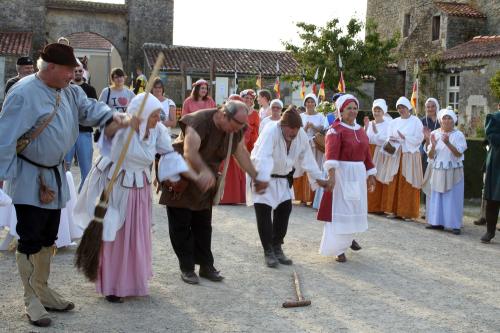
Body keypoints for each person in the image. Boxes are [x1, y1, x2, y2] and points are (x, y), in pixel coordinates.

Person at [0, 43, 129, 327]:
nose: (74, 75)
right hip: (28, 177)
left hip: (56, 176)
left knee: (48, 236)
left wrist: (112, 116)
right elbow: (5, 137)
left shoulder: (69, 90)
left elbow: (88, 108)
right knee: (30, 236)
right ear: (51, 68)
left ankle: (43, 290)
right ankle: (31, 298)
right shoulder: (22, 93)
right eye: (70, 70)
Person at [74, 93, 196, 303]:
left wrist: (191, 175)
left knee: (136, 233)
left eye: (159, 115)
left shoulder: (157, 130)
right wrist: (124, 124)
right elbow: (105, 135)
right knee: (116, 232)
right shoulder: (123, 123)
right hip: (117, 184)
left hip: (139, 186)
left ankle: (131, 281)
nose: (158, 119)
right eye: (154, 115)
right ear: (143, 113)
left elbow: (167, 154)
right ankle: (112, 284)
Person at [159, 101, 266, 284]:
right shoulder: (200, 120)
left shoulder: (236, 128)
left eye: (242, 126)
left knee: (203, 224)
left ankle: (207, 266)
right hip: (182, 174)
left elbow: (240, 152)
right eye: (236, 125)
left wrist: (255, 176)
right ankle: (187, 267)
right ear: (224, 115)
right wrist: (204, 171)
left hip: (206, 180)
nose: (238, 130)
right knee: (181, 225)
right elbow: (189, 152)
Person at [249, 108, 331, 267]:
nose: (293, 132)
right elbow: (263, 157)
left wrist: (320, 178)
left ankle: (277, 246)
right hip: (263, 175)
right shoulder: (271, 131)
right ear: (282, 124)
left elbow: (307, 158)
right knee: (264, 213)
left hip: (283, 178)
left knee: (285, 210)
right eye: (290, 128)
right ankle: (268, 251)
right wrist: (263, 179)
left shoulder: (300, 135)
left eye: (296, 128)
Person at [318, 94, 376, 262]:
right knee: (340, 210)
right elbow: (331, 156)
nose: (352, 111)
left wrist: (371, 175)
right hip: (342, 173)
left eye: (355, 108)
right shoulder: (335, 130)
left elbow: (367, 155)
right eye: (349, 108)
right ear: (341, 111)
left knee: (354, 209)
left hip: (357, 175)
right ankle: (337, 249)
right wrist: (332, 177)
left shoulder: (360, 130)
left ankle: (348, 240)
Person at [380, 97, 424, 220]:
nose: (400, 110)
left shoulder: (416, 121)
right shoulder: (394, 122)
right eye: (399, 107)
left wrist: (405, 137)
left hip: (409, 155)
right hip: (396, 155)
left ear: (408, 107)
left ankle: (407, 212)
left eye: (403, 107)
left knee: (407, 182)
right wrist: (393, 139)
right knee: (394, 181)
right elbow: (389, 136)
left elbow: (419, 138)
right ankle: (394, 210)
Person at [425, 108, 467, 234]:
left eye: (449, 118)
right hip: (438, 169)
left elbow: (459, 153)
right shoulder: (435, 133)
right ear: (440, 120)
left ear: (454, 120)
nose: (447, 120)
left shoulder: (458, 135)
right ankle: (437, 222)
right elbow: (431, 156)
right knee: (437, 197)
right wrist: (431, 144)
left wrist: (448, 143)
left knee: (453, 198)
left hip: (454, 169)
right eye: (444, 118)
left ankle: (455, 225)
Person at [219, 89, 259, 205]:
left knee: (235, 172)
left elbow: (247, 133)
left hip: (237, 147)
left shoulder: (245, 116)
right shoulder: (222, 115)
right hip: (225, 148)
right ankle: (222, 196)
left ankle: (234, 197)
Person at [64, 65, 98, 192]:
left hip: (84, 133)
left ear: (83, 72)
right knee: (64, 168)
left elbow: (93, 109)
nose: (77, 73)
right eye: (75, 71)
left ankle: (82, 198)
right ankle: (66, 198)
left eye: (80, 71)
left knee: (86, 169)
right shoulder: (65, 88)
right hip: (68, 133)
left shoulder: (90, 89)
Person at [294, 93, 325, 205]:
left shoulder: (321, 116)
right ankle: (302, 197)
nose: (310, 104)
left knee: (314, 169)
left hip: (315, 146)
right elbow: (296, 131)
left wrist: (314, 127)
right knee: (302, 169)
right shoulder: (301, 116)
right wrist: (305, 128)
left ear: (315, 103)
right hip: (303, 145)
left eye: (312, 102)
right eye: (308, 101)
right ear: (305, 103)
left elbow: (323, 131)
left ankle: (313, 198)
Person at [365, 99, 392, 214]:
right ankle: (368, 205)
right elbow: (365, 138)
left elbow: (386, 141)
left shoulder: (388, 124)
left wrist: (376, 132)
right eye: (375, 110)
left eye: (379, 110)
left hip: (380, 153)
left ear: (383, 111)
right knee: (367, 177)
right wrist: (366, 128)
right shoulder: (370, 123)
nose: (376, 113)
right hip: (369, 152)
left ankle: (378, 206)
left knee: (378, 177)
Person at [480, 107, 500, 243]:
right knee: (493, 198)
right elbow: (492, 137)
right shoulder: (494, 117)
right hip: (497, 163)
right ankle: (490, 231)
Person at [420, 98, 441, 219]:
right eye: (428, 107)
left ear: (436, 107)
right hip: (426, 154)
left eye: (432, 106)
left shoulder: (441, 120)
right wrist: (427, 138)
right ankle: (427, 208)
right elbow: (421, 139)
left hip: (440, 154)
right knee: (427, 179)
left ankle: (437, 207)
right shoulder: (423, 121)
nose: (430, 109)